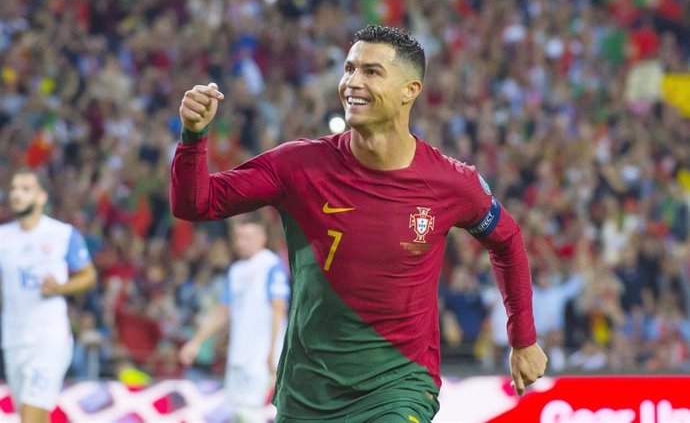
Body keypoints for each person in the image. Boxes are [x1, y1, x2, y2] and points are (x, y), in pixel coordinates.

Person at [171, 25, 547, 422]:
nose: (352, 82)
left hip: (399, 388)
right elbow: (197, 203)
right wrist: (193, 137)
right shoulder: (298, 166)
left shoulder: (451, 182)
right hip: (307, 394)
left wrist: (522, 339)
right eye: (349, 69)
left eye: (371, 72)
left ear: (410, 90)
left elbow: (506, 240)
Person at [0, 168, 97, 423]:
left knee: (30, 414)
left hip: (49, 339)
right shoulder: (3, 237)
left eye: (25, 189)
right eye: (14, 189)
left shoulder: (62, 234)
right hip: (13, 339)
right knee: (33, 415)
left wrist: (60, 288)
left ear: (41, 196)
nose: (16, 195)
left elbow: (88, 276)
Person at [178, 218, 290, 423]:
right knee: (238, 412)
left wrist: (273, 353)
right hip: (238, 355)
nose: (241, 243)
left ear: (262, 238)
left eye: (247, 238)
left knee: (252, 413)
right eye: (238, 238)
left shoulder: (271, 265)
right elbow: (223, 310)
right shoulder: (236, 270)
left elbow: (279, 309)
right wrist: (197, 341)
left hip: (261, 357)